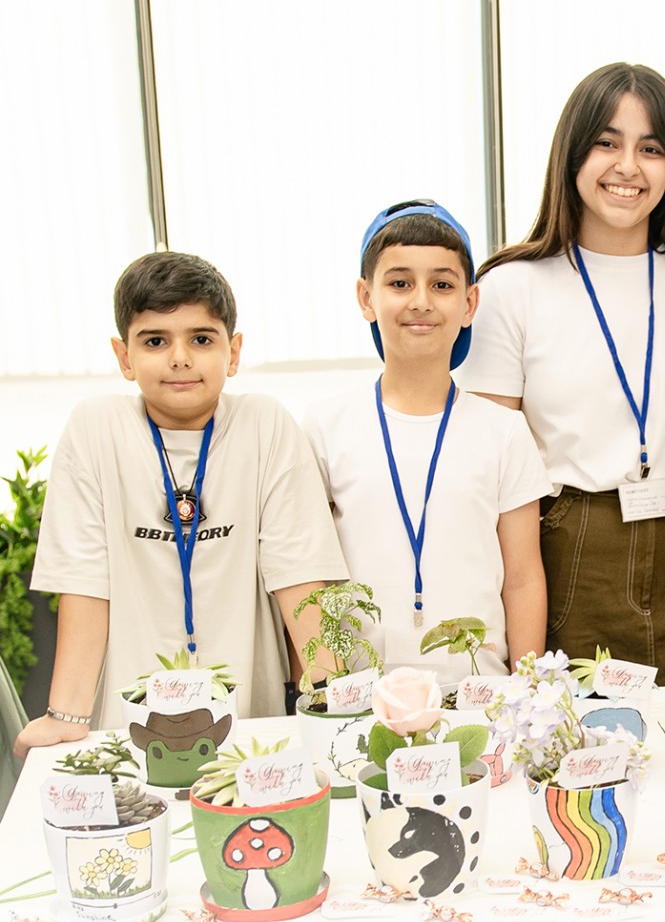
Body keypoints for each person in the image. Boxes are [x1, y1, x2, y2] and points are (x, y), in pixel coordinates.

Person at [455, 62, 665, 682]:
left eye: (651, 149)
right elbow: (489, 464)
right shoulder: (510, 287)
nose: (628, 166)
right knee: (576, 730)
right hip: (570, 546)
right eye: (607, 142)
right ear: (571, 154)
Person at [14, 252, 347, 757]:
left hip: (250, 724)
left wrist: (336, 703)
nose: (180, 358)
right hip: (127, 723)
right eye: (155, 341)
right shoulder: (96, 428)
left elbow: (299, 576)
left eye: (201, 339)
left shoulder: (264, 424)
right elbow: (84, 582)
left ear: (233, 352)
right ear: (124, 357)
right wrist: (66, 716)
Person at [302, 201, 549, 681]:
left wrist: (528, 687)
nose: (421, 301)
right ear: (366, 297)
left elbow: (522, 579)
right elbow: (313, 580)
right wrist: (321, 690)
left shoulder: (504, 430)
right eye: (399, 283)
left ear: (470, 304)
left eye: (441, 285)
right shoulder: (324, 425)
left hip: (480, 691)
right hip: (360, 693)